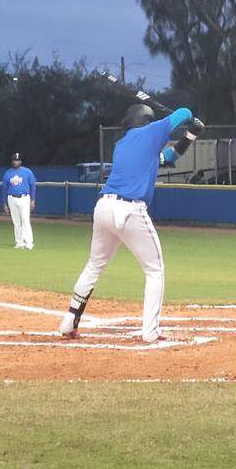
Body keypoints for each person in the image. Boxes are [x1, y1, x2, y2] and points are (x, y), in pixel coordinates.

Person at [58, 104, 203, 342]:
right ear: (146, 120)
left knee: (94, 266)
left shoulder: (123, 144)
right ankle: (150, 331)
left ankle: (68, 323)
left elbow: (168, 158)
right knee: (155, 270)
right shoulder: (151, 132)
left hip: (103, 208)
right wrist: (191, 119)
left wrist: (190, 135)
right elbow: (184, 112)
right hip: (130, 210)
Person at [1, 152, 37, 250]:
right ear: (12, 161)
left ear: (20, 161)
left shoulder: (27, 172)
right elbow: (4, 188)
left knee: (25, 220)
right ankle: (19, 242)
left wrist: (33, 200)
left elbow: (33, 186)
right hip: (12, 198)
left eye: (17, 160)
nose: (16, 162)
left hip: (24, 198)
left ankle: (29, 242)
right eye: (14, 160)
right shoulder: (8, 173)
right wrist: (4, 203)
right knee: (16, 221)